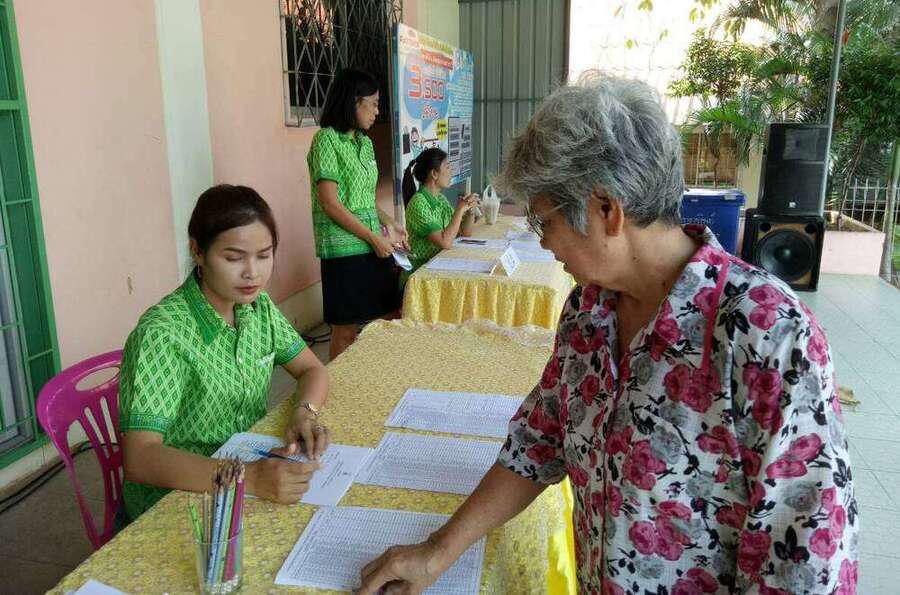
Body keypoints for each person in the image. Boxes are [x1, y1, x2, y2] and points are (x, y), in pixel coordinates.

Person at [358, 74, 859, 594]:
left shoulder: (768, 335)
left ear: (606, 210)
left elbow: (806, 566)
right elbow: (538, 442)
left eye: (544, 222)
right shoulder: (588, 312)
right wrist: (436, 552)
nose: (543, 242)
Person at [120, 185, 331, 521]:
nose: (252, 273)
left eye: (264, 255)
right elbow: (141, 457)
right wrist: (250, 477)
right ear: (198, 251)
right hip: (181, 496)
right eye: (233, 258)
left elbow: (312, 369)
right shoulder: (163, 333)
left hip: (247, 465)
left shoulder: (257, 308)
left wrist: (304, 413)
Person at [307, 68, 406, 359]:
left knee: (390, 315)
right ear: (353, 101)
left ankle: (375, 373)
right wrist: (373, 237)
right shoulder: (326, 140)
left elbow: (363, 200)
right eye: (373, 104)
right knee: (345, 329)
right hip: (343, 252)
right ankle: (339, 383)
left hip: (372, 244)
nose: (377, 111)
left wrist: (390, 223)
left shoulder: (364, 143)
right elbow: (330, 203)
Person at [402, 147, 479, 274]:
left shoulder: (440, 198)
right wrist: (460, 210)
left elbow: (465, 232)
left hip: (439, 265)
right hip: (421, 272)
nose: (451, 172)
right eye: (447, 167)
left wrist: (470, 210)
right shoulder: (418, 203)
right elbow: (445, 242)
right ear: (434, 174)